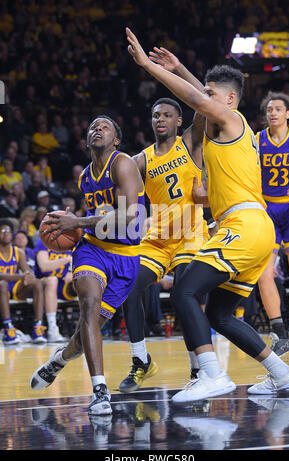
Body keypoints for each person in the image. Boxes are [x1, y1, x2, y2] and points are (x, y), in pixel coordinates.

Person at [125, 28, 289, 401]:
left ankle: (210, 374)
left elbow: (196, 99)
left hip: (243, 226)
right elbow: (203, 97)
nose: (204, 100)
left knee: (186, 290)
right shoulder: (238, 131)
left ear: (231, 99)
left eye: (212, 94)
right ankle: (282, 372)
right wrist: (182, 67)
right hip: (253, 227)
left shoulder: (233, 121)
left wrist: (147, 66)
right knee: (220, 314)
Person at [30, 115, 145, 415]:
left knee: (85, 335)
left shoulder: (123, 164)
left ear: (116, 139)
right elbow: (96, 217)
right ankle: (100, 390)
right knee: (89, 307)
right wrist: (74, 227)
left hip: (127, 258)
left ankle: (58, 361)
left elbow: (129, 215)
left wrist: (77, 221)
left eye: (105, 127)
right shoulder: (84, 177)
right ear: (86, 140)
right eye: (92, 127)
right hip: (92, 249)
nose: (97, 129)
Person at [118, 96, 206, 393]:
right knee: (129, 288)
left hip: (189, 235)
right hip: (156, 239)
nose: (160, 119)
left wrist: (175, 72)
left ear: (179, 121)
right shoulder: (140, 160)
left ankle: (197, 368)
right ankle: (141, 360)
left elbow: (203, 104)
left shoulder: (191, 141)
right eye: (156, 115)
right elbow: (120, 190)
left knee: (184, 294)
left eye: (167, 115)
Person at [257, 92, 289, 356]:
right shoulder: (257, 140)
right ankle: (280, 333)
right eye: (269, 109)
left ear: (287, 114)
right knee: (264, 274)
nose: (272, 113)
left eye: (278, 109)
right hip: (267, 209)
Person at [0, 219, 46, 345]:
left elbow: (27, 272)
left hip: (15, 290)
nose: (6, 234)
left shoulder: (18, 252)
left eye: (8, 231)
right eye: (2, 231)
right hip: (1, 289)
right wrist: (21, 277)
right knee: (2, 284)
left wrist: (28, 276)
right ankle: (8, 327)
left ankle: (38, 327)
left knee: (36, 283)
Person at [34, 236, 76, 342]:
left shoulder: (70, 241)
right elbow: (44, 266)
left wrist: (74, 274)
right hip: (42, 283)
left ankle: (84, 327)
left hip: (62, 284)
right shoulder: (43, 241)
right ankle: (53, 329)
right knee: (52, 280)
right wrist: (66, 260)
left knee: (82, 282)